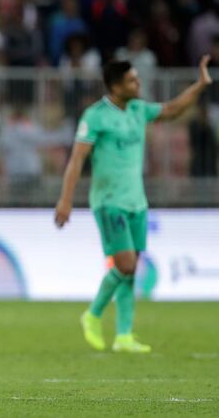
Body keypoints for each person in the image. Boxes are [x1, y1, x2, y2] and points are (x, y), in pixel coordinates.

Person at [55, 57, 214, 353]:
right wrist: (65, 200)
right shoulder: (96, 115)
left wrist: (200, 85)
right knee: (125, 264)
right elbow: (77, 159)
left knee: (131, 268)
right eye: (132, 80)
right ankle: (92, 314)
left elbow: (173, 109)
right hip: (109, 201)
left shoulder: (139, 109)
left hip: (136, 202)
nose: (138, 84)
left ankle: (124, 336)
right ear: (115, 86)